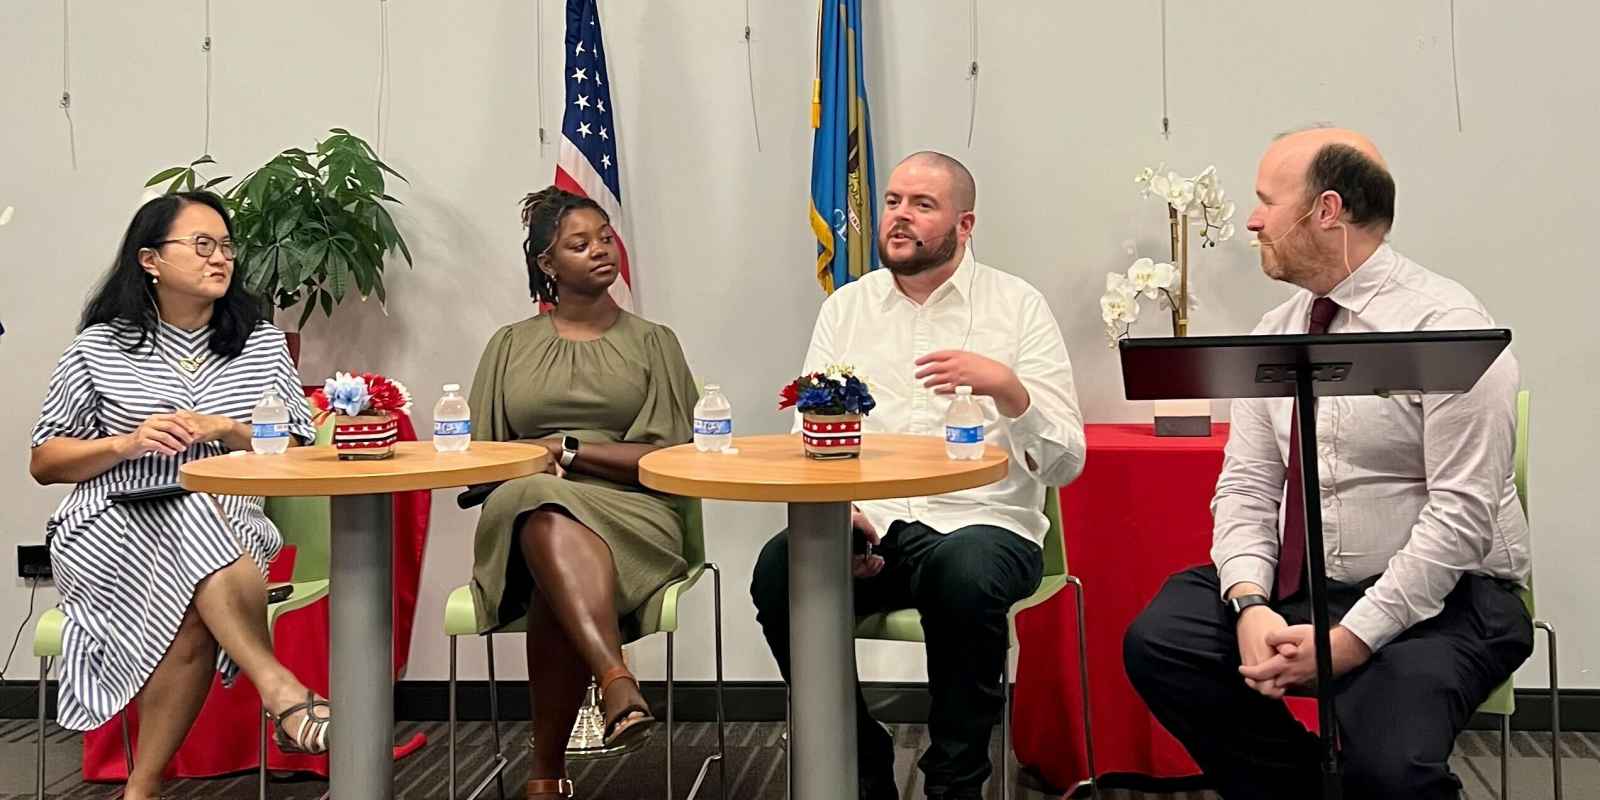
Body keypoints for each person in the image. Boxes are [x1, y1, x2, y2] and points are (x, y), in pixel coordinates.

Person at [1122, 127, 1533, 799]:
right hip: (1308, 583)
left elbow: (1461, 518)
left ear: (1326, 211)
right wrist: (1251, 602)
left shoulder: (1445, 325)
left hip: (1450, 596)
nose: (1251, 220)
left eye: (1265, 200)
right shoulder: (1276, 333)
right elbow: (1249, 485)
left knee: (1390, 771)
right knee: (1165, 639)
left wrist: (1353, 639)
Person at [750, 151, 1087, 799]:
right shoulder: (847, 309)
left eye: (922, 206)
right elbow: (809, 436)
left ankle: (955, 780)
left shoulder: (1016, 308)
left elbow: (1065, 462)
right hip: (873, 527)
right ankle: (858, 760)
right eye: (894, 201)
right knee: (779, 567)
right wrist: (838, 514)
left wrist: (1009, 389)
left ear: (965, 225)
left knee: (964, 572)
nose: (900, 218)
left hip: (984, 527)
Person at [28, 192, 331, 800]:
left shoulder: (261, 344)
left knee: (197, 567)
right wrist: (126, 443)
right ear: (150, 260)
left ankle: (141, 791)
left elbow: (300, 446)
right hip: (111, 523)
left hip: (229, 519)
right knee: (195, 521)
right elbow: (44, 461)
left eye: (225, 246)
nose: (220, 258)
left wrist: (228, 429)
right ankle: (280, 690)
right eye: (201, 245)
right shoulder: (99, 347)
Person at [466, 187, 700, 799]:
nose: (601, 250)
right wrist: (535, 465)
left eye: (604, 237)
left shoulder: (654, 342)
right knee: (542, 507)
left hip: (633, 509)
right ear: (548, 265)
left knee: (550, 532)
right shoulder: (509, 345)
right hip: (526, 507)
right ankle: (616, 678)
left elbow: (673, 458)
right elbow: (482, 459)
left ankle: (547, 774)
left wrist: (567, 450)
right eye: (579, 244)